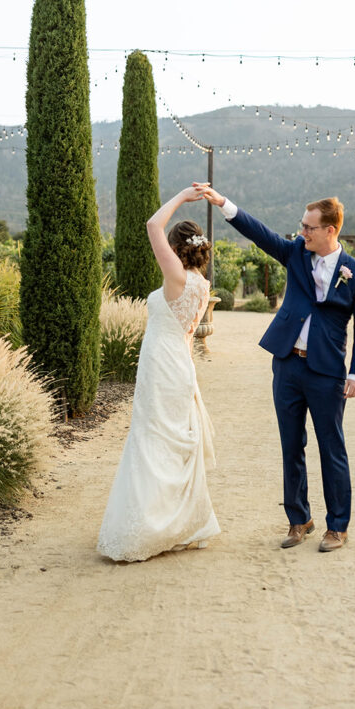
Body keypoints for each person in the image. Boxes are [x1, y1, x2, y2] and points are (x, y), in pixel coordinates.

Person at [199, 186, 355, 552]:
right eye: (302, 225)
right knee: (291, 445)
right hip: (287, 366)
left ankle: (337, 526)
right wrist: (224, 205)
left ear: (330, 230)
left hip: (327, 373)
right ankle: (299, 520)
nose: (302, 232)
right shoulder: (295, 253)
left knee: (332, 448)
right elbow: (260, 233)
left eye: (309, 227)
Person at [97, 186, 220, 562]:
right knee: (170, 438)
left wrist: (183, 196)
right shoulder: (202, 284)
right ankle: (180, 521)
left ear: (175, 247)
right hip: (180, 362)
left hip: (162, 363)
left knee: (152, 437)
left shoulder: (176, 277)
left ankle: (151, 525)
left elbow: (152, 223)